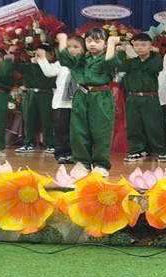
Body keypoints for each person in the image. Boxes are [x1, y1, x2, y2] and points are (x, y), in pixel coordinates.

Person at [56, 29, 120, 173]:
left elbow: (110, 63)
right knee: (78, 131)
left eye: (97, 41)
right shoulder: (82, 58)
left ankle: (100, 165)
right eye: (89, 41)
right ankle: (82, 164)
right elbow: (66, 60)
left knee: (101, 131)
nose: (92, 44)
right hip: (81, 95)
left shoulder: (110, 55)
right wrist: (62, 41)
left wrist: (111, 44)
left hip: (100, 96)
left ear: (104, 44)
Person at [116, 33, 166, 162]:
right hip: (133, 98)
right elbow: (121, 66)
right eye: (136, 45)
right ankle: (136, 151)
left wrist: (155, 53)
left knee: (154, 126)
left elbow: (154, 68)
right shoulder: (131, 61)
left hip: (150, 98)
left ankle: (160, 151)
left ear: (150, 46)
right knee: (134, 126)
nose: (140, 48)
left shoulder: (156, 59)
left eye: (144, 45)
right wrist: (121, 52)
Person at [36, 38, 83, 164]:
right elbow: (49, 72)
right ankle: (62, 154)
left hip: (79, 102)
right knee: (61, 130)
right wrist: (42, 58)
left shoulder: (84, 63)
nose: (71, 50)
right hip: (62, 103)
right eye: (68, 47)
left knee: (76, 130)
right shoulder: (61, 63)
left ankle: (77, 154)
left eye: (75, 47)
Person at [15, 45, 56, 153]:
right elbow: (15, 66)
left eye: (42, 54)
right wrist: (15, 53)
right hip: (30, 94)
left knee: (47, 120)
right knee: (28, 120)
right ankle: (28, 143)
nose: (38, 57)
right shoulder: (29, 66)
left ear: (51, 55)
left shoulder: (52, 67)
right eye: (37, 54)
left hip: (46, 94)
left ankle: (50, 144)